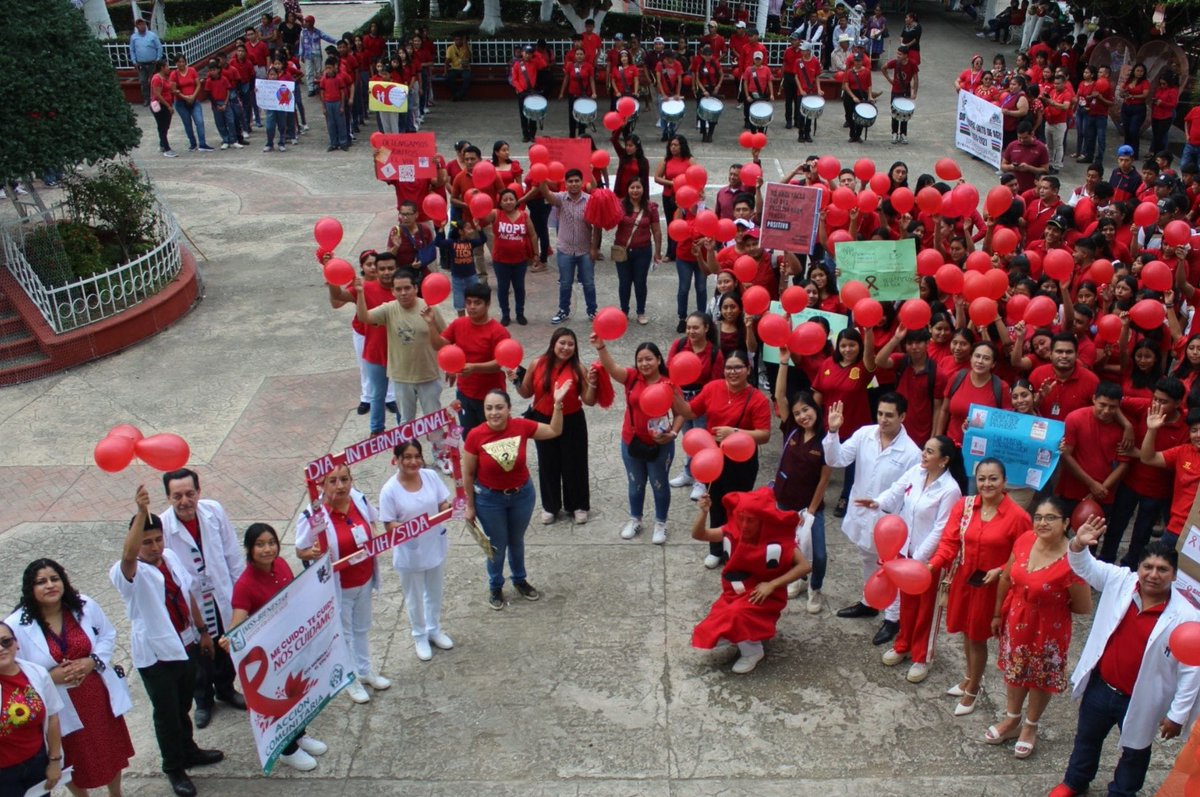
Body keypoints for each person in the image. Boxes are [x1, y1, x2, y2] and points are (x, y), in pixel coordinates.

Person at [1047, 532, 1200, 797]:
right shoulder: (1120, 581)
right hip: (1101, 686)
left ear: (1174, 576)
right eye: (1148, 567)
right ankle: (1074, 781)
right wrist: (1078, 543)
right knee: (1086, 739)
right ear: (1138, 568)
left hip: (1141, 700)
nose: (1153, 574)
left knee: (1135, 752)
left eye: (1163, 569)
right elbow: (1084, 565)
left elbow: (1192, 670)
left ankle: (1121, 793)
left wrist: (1177, 715)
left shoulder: (1187, 616)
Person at [110, 485, 224, 797]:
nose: (155, 547)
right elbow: (128, 555)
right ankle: (173, 767)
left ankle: (188, 750)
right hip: (156, 656)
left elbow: (189, 592)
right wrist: (140, 512)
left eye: (158, 539)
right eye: (146, 542)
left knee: (183, 704)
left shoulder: (171, 557)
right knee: (166, 713)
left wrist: (202, 631)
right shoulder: (129, 575)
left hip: (186, 643)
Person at [5, 559, 133, 796]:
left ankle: (116, 793)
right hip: (58, 703)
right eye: (41, 582)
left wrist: (91, 661)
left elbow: (107, 634)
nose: (50, 585)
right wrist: (48, 677)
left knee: (110, 749)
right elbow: (14, 665)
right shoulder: (17, 625)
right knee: (71, 757)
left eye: (55, 579)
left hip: (96, 694)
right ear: (30, 589)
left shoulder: (84, 605)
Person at [987, 497, 1092, 760]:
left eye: (1050, 518)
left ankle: (1030, 726)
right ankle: (1012, 721)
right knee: (1015, 670)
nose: (1042, 523)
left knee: (1040, 677)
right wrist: (997, 613)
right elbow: (1007, 577)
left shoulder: (1073, 560)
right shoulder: (1024, 540)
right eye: (1038, 517)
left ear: (1066, 523)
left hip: (1049, 630)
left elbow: (1082, 606)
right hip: (1016, 620)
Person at [927, 459, 1030, 716]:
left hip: (991, 587)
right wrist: (932, 565)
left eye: (993, 478)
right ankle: (969, 676)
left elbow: (1025, 555)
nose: (987, 484)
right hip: (964, 580)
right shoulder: (965, 506)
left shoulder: (1018, 517)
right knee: (965, 630)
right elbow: (950, 542)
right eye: (982, 478)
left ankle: (973, 689)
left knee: (977, 638)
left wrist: (1001, 570)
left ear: (1004, 482)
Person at [222, 524, 328, 771]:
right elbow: (238, 622)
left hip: (292, 644)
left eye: (271, 542)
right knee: (280, 700)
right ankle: (287, 750)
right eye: (260, 544)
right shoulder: (245, 585)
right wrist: (230, 638)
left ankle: (300, 734)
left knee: (297, 691)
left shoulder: (280, 565)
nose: (267, 549)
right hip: (271, 657)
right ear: (249, 550)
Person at [860, 436, 965, 684]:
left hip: (928, 561)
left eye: (930, 452)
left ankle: (921, 656)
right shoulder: (916, 472)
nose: (924, 455)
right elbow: (896, 489)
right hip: (905, 553)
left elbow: (941, 530)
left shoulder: (950, 490)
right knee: (906, 604)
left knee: (926, 610)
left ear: (944, 460)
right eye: (924, 450)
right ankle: (903, 644)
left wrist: (918, 561)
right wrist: (878, 502)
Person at [824, 394, 921, 646]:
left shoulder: (912, 453)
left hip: (890, 523)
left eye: (890, 415)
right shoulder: (864, 434)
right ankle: (870, 602)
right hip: (862, 514)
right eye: (880, 413)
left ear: (902, 417)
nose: (883, 420)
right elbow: (836, 459)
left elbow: (909, 493)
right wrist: (833, 431)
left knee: (889, 569)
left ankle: (892, 619)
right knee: (867, 559)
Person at [463, 386, 571, 609]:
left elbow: (554, 430)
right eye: (489, 408)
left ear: (509, 409)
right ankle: (495, 586)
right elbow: (468, 473)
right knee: (496, 546)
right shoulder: (475, 436)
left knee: (516, 541)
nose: (494, 413)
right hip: (489, 501)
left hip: (522, 496)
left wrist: (558, 404)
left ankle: (520, 580)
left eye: (499, 407)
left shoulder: (521, 426)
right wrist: (470, 506)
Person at [295, 464, 391, 705]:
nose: (340, 486)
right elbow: (300, 550)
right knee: (345, 633)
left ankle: (365, 670)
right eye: (333, 481)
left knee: (362, 627)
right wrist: (313, 553)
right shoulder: (313, 516)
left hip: (365, 578)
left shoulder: (358, 499)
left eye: (344, 479)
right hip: (340, 586)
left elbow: (373, 519)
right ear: (322, 485)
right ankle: (351, 680)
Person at [157, 468, 245, 730]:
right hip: (193, 602)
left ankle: (226, 689)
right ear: (168, 498)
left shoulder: (214, 512)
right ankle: (204, 701)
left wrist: (241, 595)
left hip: (220, 593)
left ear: (199, 491)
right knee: (199, 654)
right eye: (177, 496)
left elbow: (232, 553)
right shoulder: (164, 527)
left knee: (225, 644)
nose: (184, 501)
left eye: (189, 494)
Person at [690, 488, 812, 674]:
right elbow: (699, 535)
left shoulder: (777, 539)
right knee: (716, 626)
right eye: (742, 517)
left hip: (765, 594)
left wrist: (771, 585)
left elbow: (804, 566)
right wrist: (703, 512)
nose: (745, 524)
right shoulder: (733, 530)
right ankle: (745, 637)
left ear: (762, 519)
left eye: (751, 519)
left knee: (737, 614)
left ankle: (754, 652)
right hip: (736, 592)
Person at [678, 350, 773, 568]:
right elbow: (690, 411)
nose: (733, 372)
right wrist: (673, 391)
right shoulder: (713, 388)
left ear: (748, 370)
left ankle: (736, 549)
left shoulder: (757, 399)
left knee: (738, 508)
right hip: (713, 458)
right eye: (729, 367)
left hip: (742, 461)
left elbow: (764, 435)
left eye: (738, 367)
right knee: (714, 504)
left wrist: (736, 432)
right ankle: (716, 549)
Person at [378, 440, 455, 660]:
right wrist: (411, 529)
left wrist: (448, 509)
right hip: (410, 552)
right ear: (398, 460)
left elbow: (442, 502)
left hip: (434, 544)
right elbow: (389, 523)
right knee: (414, 597)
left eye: (417, 456)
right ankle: (419, 635)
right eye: (408, 457)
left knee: (434, 592)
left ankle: (434, 629)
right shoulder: (389, 490)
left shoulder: (430, 476)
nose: (413, 462)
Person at [515, 328, 596, 525]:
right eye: (562, 343)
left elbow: (589, 400)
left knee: (574, 463)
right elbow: (526, 393)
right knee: (547, 463)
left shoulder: (579, 368)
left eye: (570, 344)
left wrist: (592, 384)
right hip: (544, 419)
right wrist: (515, 380)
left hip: (572, 420)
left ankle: (578, 505)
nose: (566, 348)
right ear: (553, 344)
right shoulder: (537, 364)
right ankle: (550, 506)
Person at [772, 376, 831, 615]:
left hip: (810, 508)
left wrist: (812, 512)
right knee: (790, 548)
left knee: (819, 553)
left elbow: (824, 479)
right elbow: (779, 396)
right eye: (797, 412)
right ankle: (796, 579)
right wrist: (784, 364)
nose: (802, 416)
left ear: (815, 408)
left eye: (805, 409)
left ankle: (815, 588)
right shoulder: (791, 430)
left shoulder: (827, 440)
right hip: (784, 501)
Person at [356, 266, 445, 425]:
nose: (403, 293)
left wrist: (451, 367)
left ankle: (438, 451)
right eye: (398, 289)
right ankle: (408, 451)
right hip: (401, 377)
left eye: (407, 288)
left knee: (434, 423)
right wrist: (360, 293)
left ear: (415, 288)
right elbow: (365, 317)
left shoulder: (429, 308)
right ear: (393, 292)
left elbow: (446, 338)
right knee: (405, 423)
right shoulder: (389, 309)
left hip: (428, 375)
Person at [427, 281, 510, 434]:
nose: (471, 307)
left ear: (487, 304)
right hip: (464, 393)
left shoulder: (498, 332)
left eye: (477, 303)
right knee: (470, 436)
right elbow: (439, 345)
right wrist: (431, 324)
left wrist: (474, 367)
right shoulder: (458, 324)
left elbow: (502, 362)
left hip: (491, 397)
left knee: (493, 437)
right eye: (468, 302)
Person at [0, 620, 64, 797]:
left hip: (36, 762)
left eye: (6, 641)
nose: (1, 648)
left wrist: (54, 761)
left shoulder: (37, 673)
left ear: (16, 643)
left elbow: (52, 717)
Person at [1058, 383, 1129, 532]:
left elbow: (1124, 463)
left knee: (1091, 541)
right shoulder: (1075, 418)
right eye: (1102, 405)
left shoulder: (1124, 429)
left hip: (1103, 495)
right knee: (1060, 535)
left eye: (1112, 407)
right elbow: (1066, 455)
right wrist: (1092, 484)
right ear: (1094, 399)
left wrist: (1102, 488)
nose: (1106, 411)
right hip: (1071, 490)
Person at [538, 170, 598, 325]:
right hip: (565, 250)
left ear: (582, 182)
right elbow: (546, 194)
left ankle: (592, 311)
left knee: (589, 283)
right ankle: (564, 310)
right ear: (565, 183)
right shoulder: (560, 198)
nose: (574, 184)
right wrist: (540, 175)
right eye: (570, 181)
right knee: (565, 283)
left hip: (585, 250)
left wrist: (594, 248)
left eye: (577, 181)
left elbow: (597, 226)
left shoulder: (590, 200)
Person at [611, 178, 662, 325]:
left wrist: (657, 252)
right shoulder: (619, 205)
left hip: (643, 251)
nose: (635, 190)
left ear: (643, 189)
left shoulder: (651, 207)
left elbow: (657, 231)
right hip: (622, 250)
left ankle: (641, 311)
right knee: (624, 283)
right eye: (632, 187)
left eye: (638, 187)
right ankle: (624, 312)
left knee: (640, 282)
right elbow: (609, 222)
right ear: (627, 189)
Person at [484, 189, 536, 327]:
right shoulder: (496, 213)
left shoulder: (524, 216)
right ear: (500, 202)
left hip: (520, 261)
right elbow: (481, 218)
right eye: (505, 199)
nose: (508, 202)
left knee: (519, 287)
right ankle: (505, 314)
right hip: (501, 261)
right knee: (503, 287)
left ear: (516, 200)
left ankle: (520, 313)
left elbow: (533, 235)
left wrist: (536, 254)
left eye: (511, 199)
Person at [882, 46, 918, 145]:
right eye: (897, 53)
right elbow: (883, 68)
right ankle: (894, 133)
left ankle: (903, 134)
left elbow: (915, 79)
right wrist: (890, 80)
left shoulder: (912, 64)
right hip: (895, 91)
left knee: (905, 114)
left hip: (906, 92)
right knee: (895, 113)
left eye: (900, 54)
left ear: (906, 55)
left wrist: (914, 92)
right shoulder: (894, 62)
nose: (898, 56)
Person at [511, 45, 548, 143]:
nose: (528, 55)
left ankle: (532, 135)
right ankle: (525, 135)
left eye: (530, 53)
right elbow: (514, 79)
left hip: (532, 92)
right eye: (526, 53)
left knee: (533, 114)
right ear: (522, 53)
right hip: (522, 92)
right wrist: (520, 90)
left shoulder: (535, 63)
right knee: (523, 115)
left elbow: (544, 64)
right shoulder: (517, 64)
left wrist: (536, 53)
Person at [1002, 121, 1049, 194]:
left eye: (1025, 138)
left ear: (1032, 134)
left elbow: (1045, 170)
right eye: (1019, 137)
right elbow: (1003, 166)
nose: (1022, 140)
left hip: (1031, 190)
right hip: (1013, 190)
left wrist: (1029, 168)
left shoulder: (1041, 148)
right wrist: (1012, 167)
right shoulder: (1012, 145)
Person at [130, 17, 163, 106]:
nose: (142, 26)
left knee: (154, 81)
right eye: (139, 24)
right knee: (143, 81)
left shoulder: (152, 35)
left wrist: (158, 59)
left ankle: (156, 98)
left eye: (143, 24)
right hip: (141, 64)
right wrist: (134, 61)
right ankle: (146, 99)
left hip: (153, 63)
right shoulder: (133, 37)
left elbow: (159, 47)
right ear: (136, 26)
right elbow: (132, 50)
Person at [149, 61, 179, 158]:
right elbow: (157, 95)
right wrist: (168, 106)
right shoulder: (157, 79)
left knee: (165, 126)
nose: (168, 68)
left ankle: (162, 144)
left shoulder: (165, 78)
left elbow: (167, 90)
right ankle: (167, 148)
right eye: (167, 66)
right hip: (161, 106)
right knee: (162, 127)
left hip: (167, 105)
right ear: (162, 68)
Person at [444, 34, 472, 102]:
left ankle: (457, 96)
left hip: (465, 69)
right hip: (454, 68)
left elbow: (468, 56)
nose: (458, 41)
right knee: (448, 78)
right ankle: (459, 95)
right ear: (454, 40)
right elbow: (447, 61)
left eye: (460, 40)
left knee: (468, 78)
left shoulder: (466, 47)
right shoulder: (450, 48)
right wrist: (445, 71)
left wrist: (465, 44)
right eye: (456, 40)